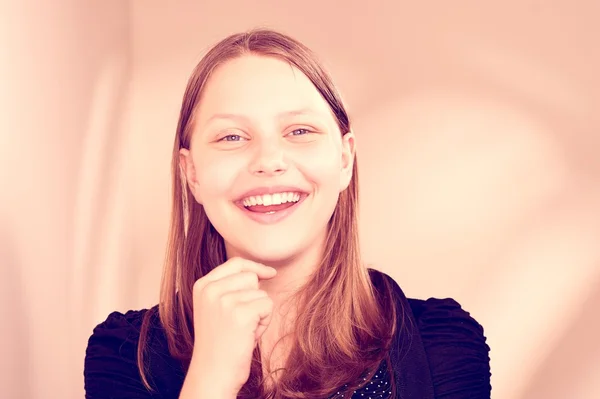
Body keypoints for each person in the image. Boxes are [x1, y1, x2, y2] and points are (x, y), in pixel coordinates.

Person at [84, 28, 491, 399]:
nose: (269, 161)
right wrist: (211, 379)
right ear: (191, 173)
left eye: (299, 131)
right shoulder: (122, 355)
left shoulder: (444, 343)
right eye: (231, 136)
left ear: (345, 159)